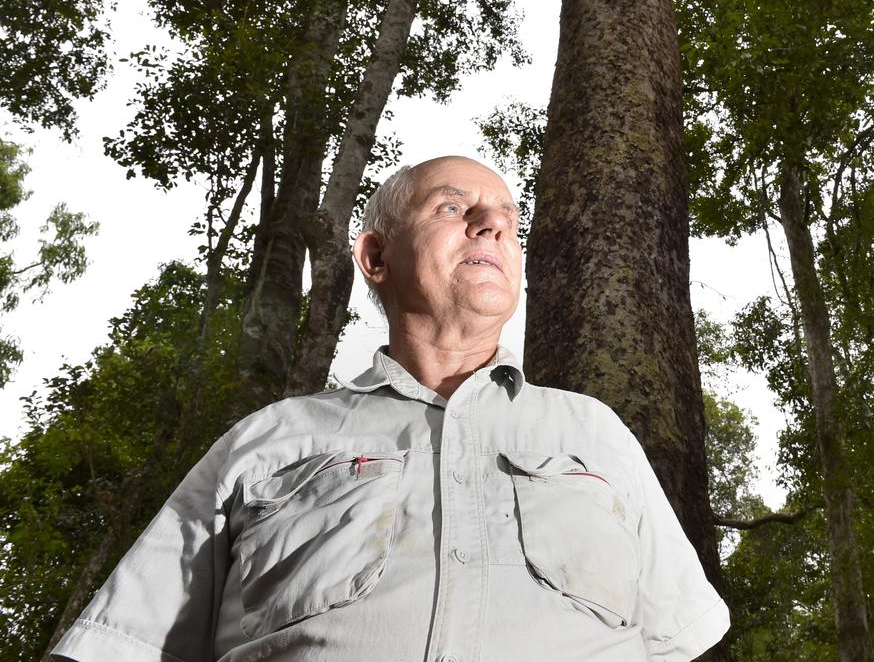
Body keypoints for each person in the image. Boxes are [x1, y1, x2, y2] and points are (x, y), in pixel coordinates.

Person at [52, 156, 730, 662]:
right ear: (375, 256)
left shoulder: (592, 431)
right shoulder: (270, 439)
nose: (493, 223)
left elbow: (680, 639)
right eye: (452, 208)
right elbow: (119, 644)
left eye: (507, 220)